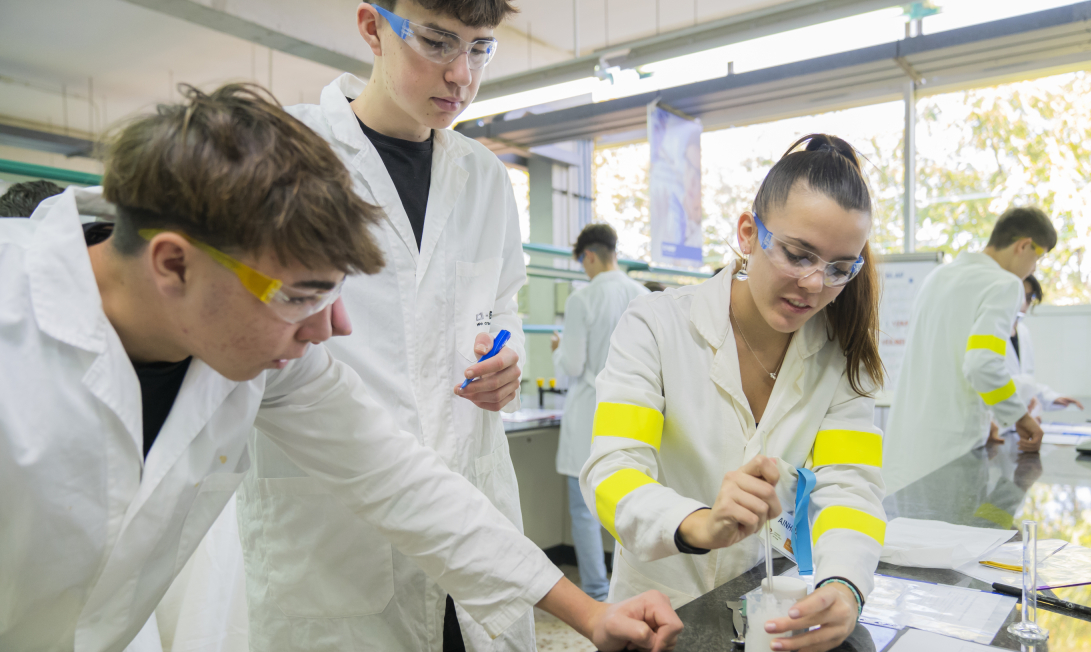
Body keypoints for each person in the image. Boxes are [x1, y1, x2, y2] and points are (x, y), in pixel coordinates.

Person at [0, 84, 681, 652]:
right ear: (174, 264)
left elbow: (405, 481)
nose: (333, 327)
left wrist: (588, 613)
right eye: (300, 295)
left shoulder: (261, 359)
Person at [231, 0, 543, 650]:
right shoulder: (285, 153)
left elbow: (503, 302)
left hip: (471, 521)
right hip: (335, 541)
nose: (462, 75)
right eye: (436, 42)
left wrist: (507, 354)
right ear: (373, 29)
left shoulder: (485, 179)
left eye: (481, 50)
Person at [581, 134, 888, 652]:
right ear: (749, 233)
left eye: (839, 268)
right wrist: (700, 523)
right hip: (658, 611)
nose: (815, 284)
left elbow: (852, 490)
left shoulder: (840, 355)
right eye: (798, 254)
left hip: (768, 610)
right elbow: (612, 472)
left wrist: (844, 585)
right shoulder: (656, 325)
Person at [883, 207, 1054, 494]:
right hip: (949, 459)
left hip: (904, 456)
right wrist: (1020, 417)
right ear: (1024, 246)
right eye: (1038, 257)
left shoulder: (939, 277)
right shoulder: (1005, 284)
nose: (1034, 268)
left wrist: (985, 418)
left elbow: (945, 362)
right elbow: (981, 365)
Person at [550, 223, 649, 601]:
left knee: (585, 510)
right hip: (633, 415)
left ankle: (596, 593)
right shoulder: (642, 296)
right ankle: (633, 590)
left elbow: (573, 366)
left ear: (588, 255)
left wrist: (558, 347)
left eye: (582, 262)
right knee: (630, 503)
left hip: (588, 414)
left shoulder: (582, 299)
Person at [988, 275, 1083, 441]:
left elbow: (1026, 379)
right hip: (995, 426)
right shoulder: (989, 331)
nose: (1023, 303)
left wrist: (1050, 397)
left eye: (1028, 297)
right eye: (1019, 296)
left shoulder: (1023, 332)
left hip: (1019, 427)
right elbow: (991, 379)